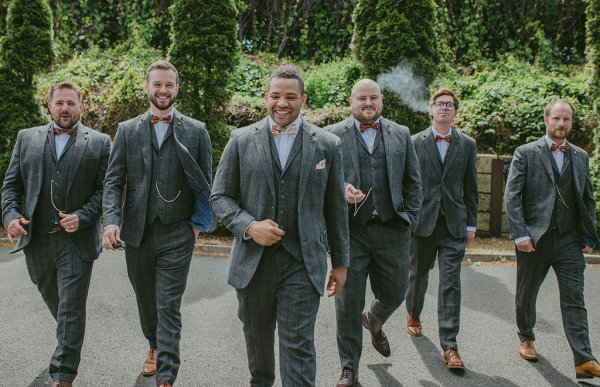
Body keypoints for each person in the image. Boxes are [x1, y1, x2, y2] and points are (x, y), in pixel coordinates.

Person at [210, 64, 349, 387]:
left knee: (298, 346)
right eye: (275, 96)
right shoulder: (241, 140)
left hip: (302, 262)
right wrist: (249, 225)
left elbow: (335, 209)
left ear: (303, 99)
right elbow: (220, 196)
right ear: (265, 98)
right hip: (253, 263)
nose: (282, 103)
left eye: (290, 96)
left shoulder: (327, 144)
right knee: (258, 348)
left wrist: (341, 263)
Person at [102, 59, 214, 387]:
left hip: (178, 232)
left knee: (168, 304)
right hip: (136, 233)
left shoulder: (196, 130)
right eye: (157, 84)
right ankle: (153, 344)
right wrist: (110, 221)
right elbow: (113, 181)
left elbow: (206, 183)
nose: (163, 90)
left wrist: (196, 226)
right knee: (146, 299)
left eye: (169, 84)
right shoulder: (127, 130)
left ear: (177, 88)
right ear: (147, 87)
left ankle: (167, 375)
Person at [1, 82, 111, 387]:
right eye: (59, 103)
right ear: (49, 106)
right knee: (59, 305)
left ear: (81, 107)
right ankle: (69, 339)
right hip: (36, 240)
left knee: (71, 306)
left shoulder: (100, 142)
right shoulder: (26, 139)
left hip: (77, 241)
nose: (65, 109)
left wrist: (84, 216)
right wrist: (10, 217)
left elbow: (107, 191)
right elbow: (11, 187)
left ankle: (63, 375)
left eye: (71, 103)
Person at [325, 79, 421, 386]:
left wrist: (410, 221)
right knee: (347, 302)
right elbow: (321, 181)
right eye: (362, 98)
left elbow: (413, 181)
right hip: (351, 232)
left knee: (395, 292)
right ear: (351, 101)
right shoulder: (332, 136)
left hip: (392, 228)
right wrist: (340, 189)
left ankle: (374, 319)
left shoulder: (402, 134)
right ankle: (348, 367)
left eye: (373, 98)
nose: (368, 103)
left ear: (381, 101)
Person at [505, 99, 600, 379]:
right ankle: (526, 337)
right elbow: (512, 196)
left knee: (574, 298)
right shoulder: (525, 153)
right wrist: (520, 233)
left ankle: (584, 359)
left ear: (572, 122)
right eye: (556, 118)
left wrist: (588, 235)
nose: (561, 124)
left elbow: (587, 198)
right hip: (534, 238)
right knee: (527, 294)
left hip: (569, 240)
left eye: (566, 119)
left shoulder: (581, 156)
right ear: (546, 120)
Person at [404, 88, 478, 369]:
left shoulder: (468, 144)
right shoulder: (414, 142)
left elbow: (471, 187)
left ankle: (450, 346)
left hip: (454, 224)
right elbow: (407, 184)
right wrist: (408, 218)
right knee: (418, 275)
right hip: (422, 222)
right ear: (430, 109)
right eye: (439, 104)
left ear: (455, 112)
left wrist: (471, 224)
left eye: (450, 104)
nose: (444, 108)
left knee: (451, 283)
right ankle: (412, 312)